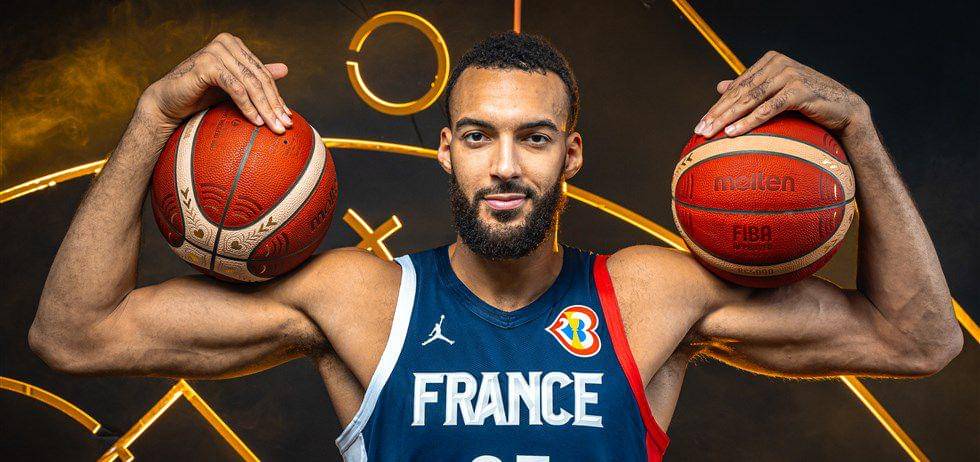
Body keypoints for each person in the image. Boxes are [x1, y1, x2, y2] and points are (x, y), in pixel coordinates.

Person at [29, 31, 962, 461]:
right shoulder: (362, 301)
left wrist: (860, 133)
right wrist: (152, 119)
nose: (505, 166)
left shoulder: (651, 296)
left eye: (535, 138)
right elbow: (74, 335)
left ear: (572, 155)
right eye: (478, 136)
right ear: (446, 149)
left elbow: (920, 339)